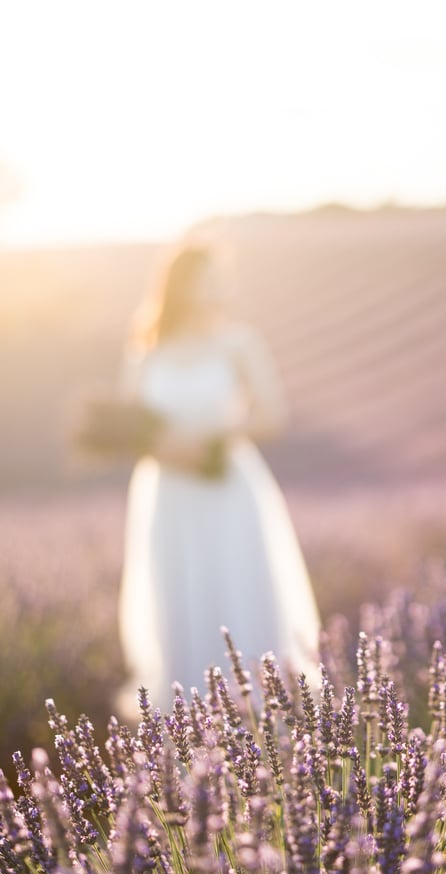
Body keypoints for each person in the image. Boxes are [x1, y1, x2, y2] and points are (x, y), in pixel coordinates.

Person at [115, 241, 321, 717]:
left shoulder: (239, 342)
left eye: (218, 277)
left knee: (238, 588)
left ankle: (259, 719)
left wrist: (215, 437)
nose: (216, 287)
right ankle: (185, 730)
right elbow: (129, 424)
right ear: (179, 284)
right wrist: (167, 448)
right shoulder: (147, 349)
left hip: (226, 483)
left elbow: (273, 413)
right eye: (205, 277)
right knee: (180, 595)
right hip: (169, 490)